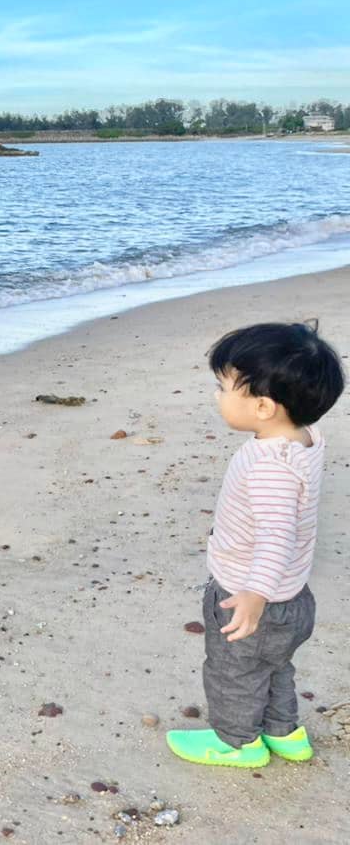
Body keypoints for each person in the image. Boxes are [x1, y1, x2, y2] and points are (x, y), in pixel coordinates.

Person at [167, 321, 344, 767]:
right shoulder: (304, 440)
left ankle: (237, 743)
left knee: (233, 673)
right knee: (274, 666)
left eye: (224, 386)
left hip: (251, 597)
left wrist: (252, 596)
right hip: (293, 598)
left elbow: (275, 537)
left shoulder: (270, 467)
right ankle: (285, 734)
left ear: (263, 406)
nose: (217, 395)